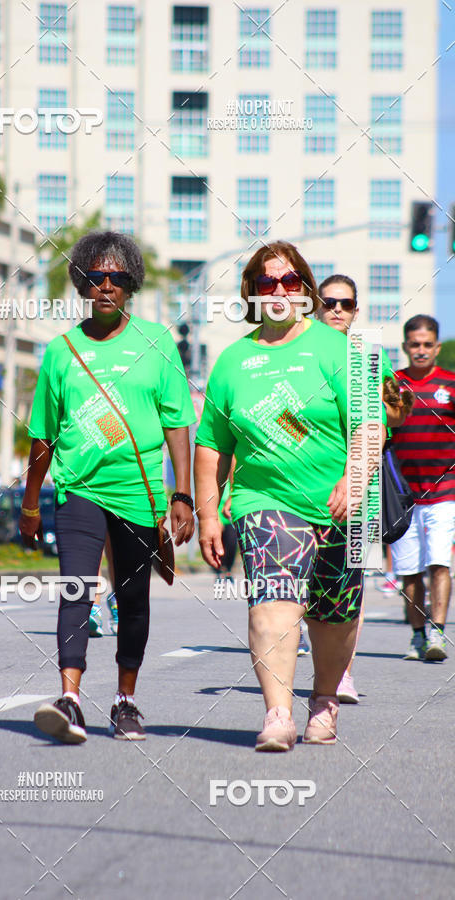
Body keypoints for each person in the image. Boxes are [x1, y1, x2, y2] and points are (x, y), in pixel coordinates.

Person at [195, 241, 381, 751]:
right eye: (266, 283)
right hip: (265, 500)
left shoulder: (344, 349)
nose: (278, 290)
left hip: (343, 503)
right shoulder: (232, 362)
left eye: (290, 281)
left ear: (306, 289)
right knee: (273, 598)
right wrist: (209, 516)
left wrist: (355, 478)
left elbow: (369, 424)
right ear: (251, 293)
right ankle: (278, 714)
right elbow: (212, 447)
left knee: (336, 612)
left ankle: (324, 700)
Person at [21, 231, 195, 743]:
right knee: (76, 588)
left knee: (133, 597)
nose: (106, 286)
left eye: (117, 278)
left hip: (138, 493)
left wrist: (182, 495)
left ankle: (125, 701)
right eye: (96, 276)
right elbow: (42, 435)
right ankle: (70, 699)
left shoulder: (157, 342)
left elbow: (177, 423)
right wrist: (31, 502)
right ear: (81, 281)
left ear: (131, 285)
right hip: (78, 489)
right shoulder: (61, 351)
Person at [316, 273, 410, 702]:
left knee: (350, 582)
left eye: (346, 304)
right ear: (315, 304)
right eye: (330, 301)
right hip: (303, 487)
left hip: (360, 487)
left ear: (357, 310)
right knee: (305, 583)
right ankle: (321, 655)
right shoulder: (296, 353)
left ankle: (343, 674)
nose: (337, 310)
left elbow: (397, 413)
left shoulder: (369, 357)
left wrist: (379, 405)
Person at [391, 315, 455, 662]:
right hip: (402, 497)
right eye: (414, 344)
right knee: (410, 570)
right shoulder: (393, 384)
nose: (420, 350)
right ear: (405, 347)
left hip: (445, 491)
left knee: (439, 562)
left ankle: (437, 634)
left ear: (437, 347)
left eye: (427, 344)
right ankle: (417, 636)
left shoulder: (451, 383)